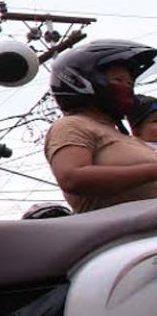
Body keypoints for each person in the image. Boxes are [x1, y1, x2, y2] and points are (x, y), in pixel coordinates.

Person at [45, 40, 157, 213]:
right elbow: (72, 178)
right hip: (125, 233)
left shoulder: (123, 136)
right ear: (82, 81)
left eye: (129, 83)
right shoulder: (72, 125)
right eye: (118, 80)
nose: (127, 88)